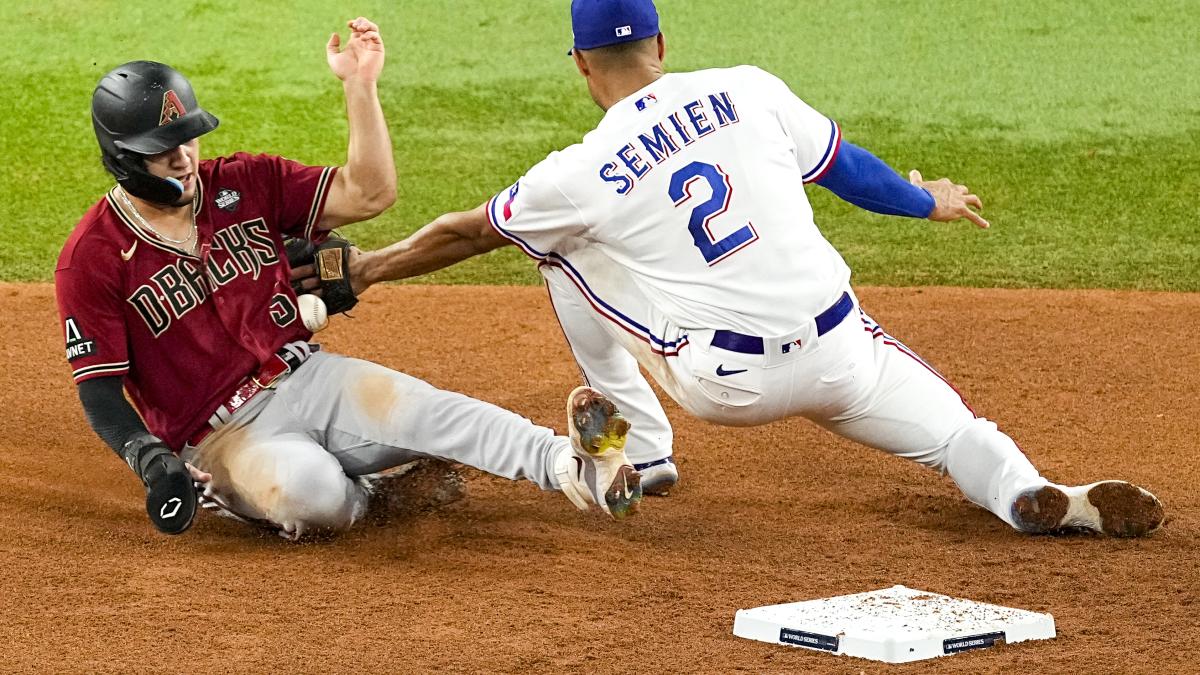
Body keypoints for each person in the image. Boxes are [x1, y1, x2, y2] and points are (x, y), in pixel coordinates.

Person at [346, 1, 1165, 536]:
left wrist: (368, 270)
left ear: (582, 66)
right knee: (956, 432)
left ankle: (645, 447)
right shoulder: (748, 88)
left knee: (550, 243)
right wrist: (928, 203)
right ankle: (1023, 489)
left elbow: (465, 232)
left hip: (728, 381)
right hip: (845, 354)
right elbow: (847, 166)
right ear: (662, 46)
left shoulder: (578, 170)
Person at [55, 17, 643, 539]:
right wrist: (152, 459)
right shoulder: (93, 257)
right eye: (164, 150)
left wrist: (359, 88)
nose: (184, 158)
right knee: (311, 491)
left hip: (309, 378)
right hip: (221, 439)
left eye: (188, 139)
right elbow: (100, 390)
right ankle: (359, 498)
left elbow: (369, 193)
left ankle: (571, 464)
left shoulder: (245, 181)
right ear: (124, 156)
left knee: (429, 412)